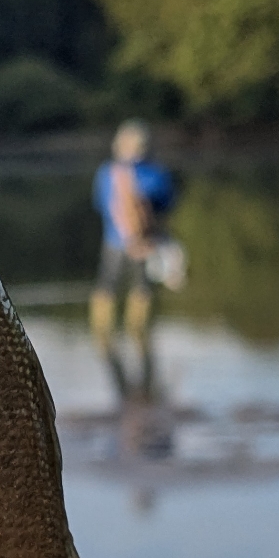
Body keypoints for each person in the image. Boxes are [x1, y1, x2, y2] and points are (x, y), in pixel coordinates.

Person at [90, 119, 175, 396]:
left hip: (114, 240)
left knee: (107, 287)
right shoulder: (154, 173)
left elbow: (99, 203)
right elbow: (166, 202)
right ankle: (139, 333)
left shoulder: (107, 172)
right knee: (141, 288)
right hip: (143, 243)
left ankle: (104, 336)